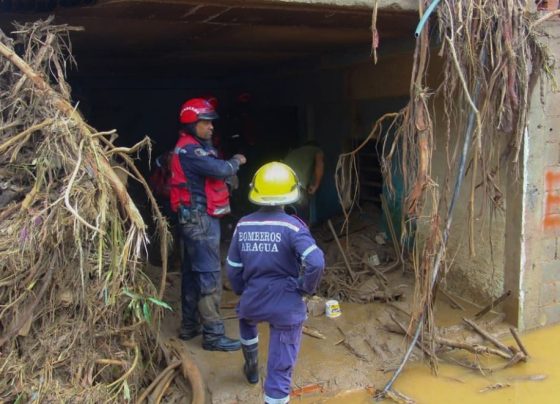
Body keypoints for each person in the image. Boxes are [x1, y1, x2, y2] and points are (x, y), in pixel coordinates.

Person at [225, 162, 325, 403]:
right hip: (286, 306)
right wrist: (304, 287)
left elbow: (232, 268)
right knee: (279, 373)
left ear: (256, 192)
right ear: (291, 192)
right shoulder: (293, 226)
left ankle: (251, 367)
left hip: (253, 300)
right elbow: (316, 262)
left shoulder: (243, 224)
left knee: (246, 319)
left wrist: (243, 290)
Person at [170, 97, 247, 351]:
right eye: (205, 122)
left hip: (192, 218)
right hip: (200, 220)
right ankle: (213, 336)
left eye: (211, 122)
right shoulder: (192, 151)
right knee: (210, 275)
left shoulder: (188, 147)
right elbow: (222, 169)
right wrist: (237, 161)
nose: (211, 127)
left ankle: (190, 326)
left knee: (192, 274)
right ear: (192, 124)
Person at [283, 141, 324, 224]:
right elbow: (319, 167)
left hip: (279, 183)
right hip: (296, 185)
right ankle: (302, 233)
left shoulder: (295, 152)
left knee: (284, 214)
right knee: (302, 216)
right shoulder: (317, 150)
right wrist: (316, 185)